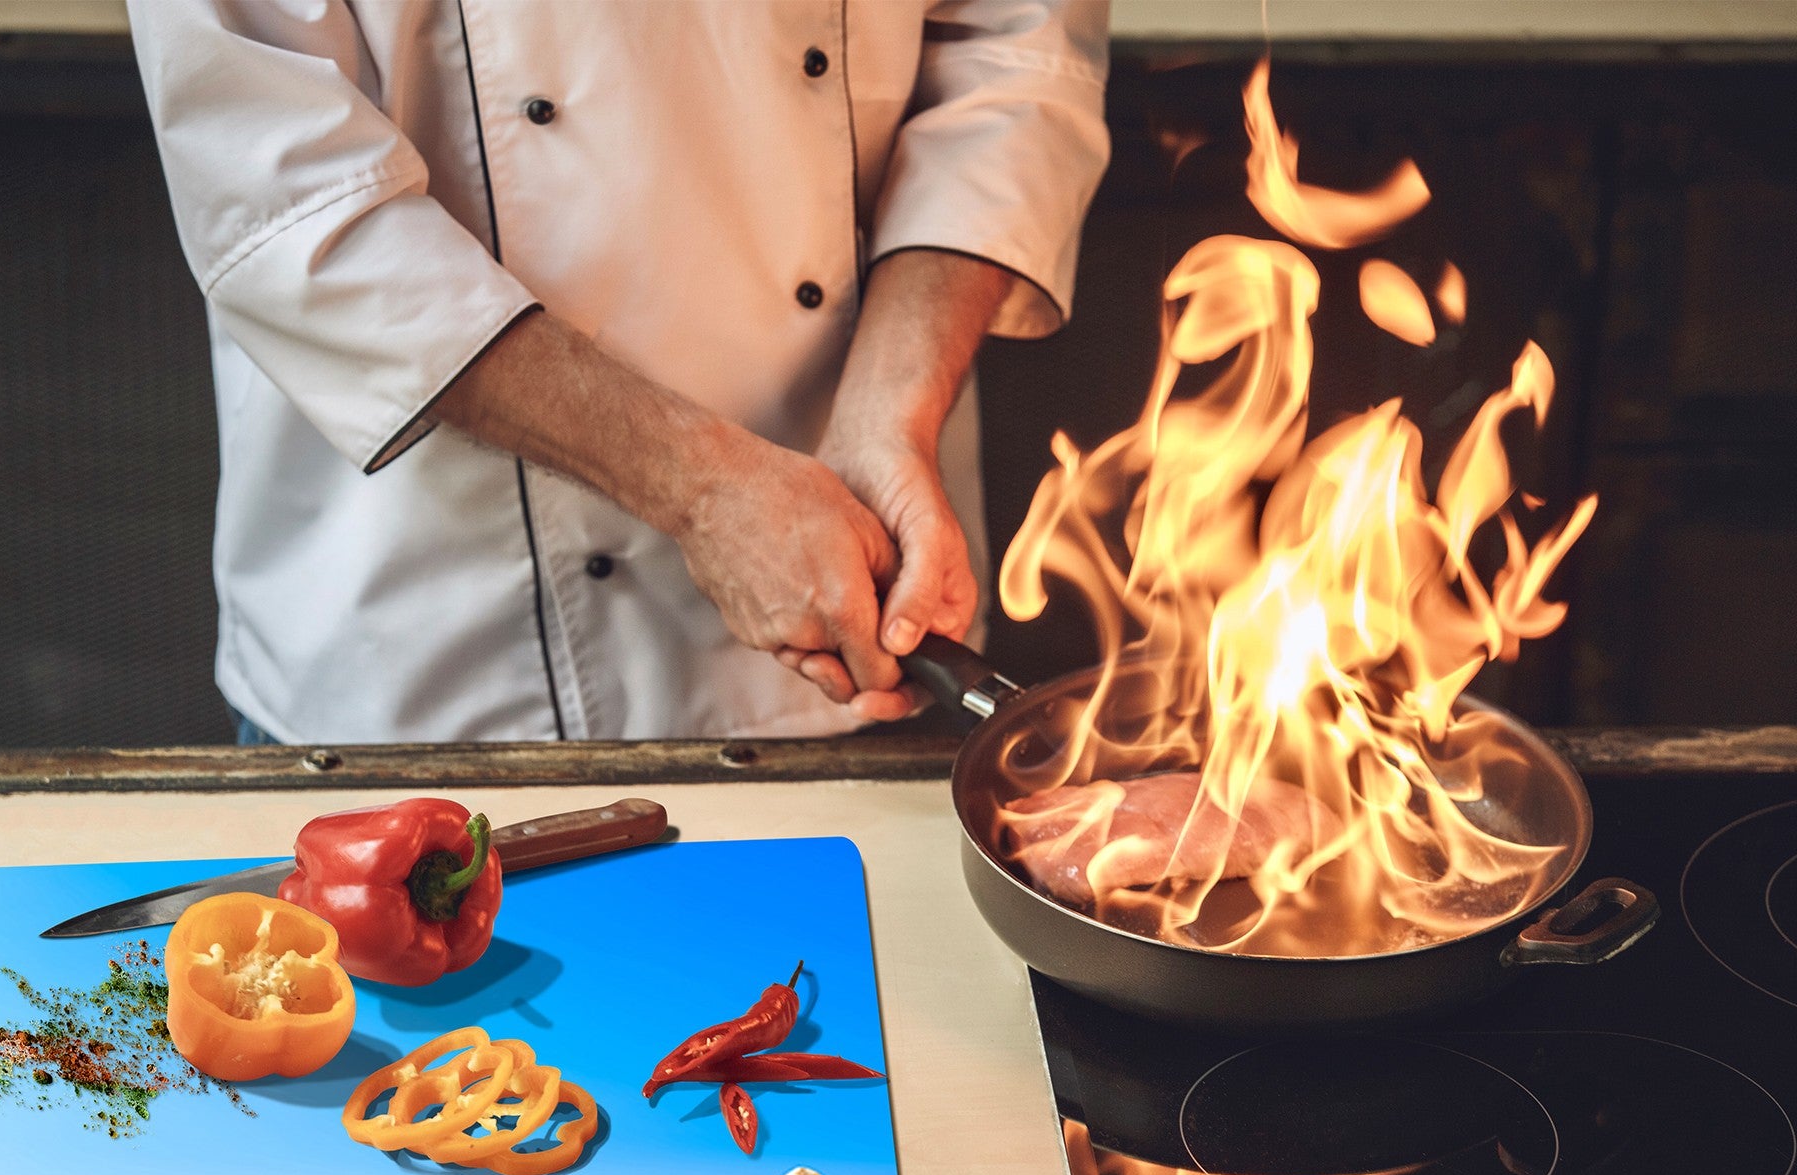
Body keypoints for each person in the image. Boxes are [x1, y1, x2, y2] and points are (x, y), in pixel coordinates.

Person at [127, 0, 1110, 743]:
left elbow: (1014, 60)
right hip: (440, 644)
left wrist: (890, 416)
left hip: (866, 573)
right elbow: (289, 197)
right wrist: (701, 489)